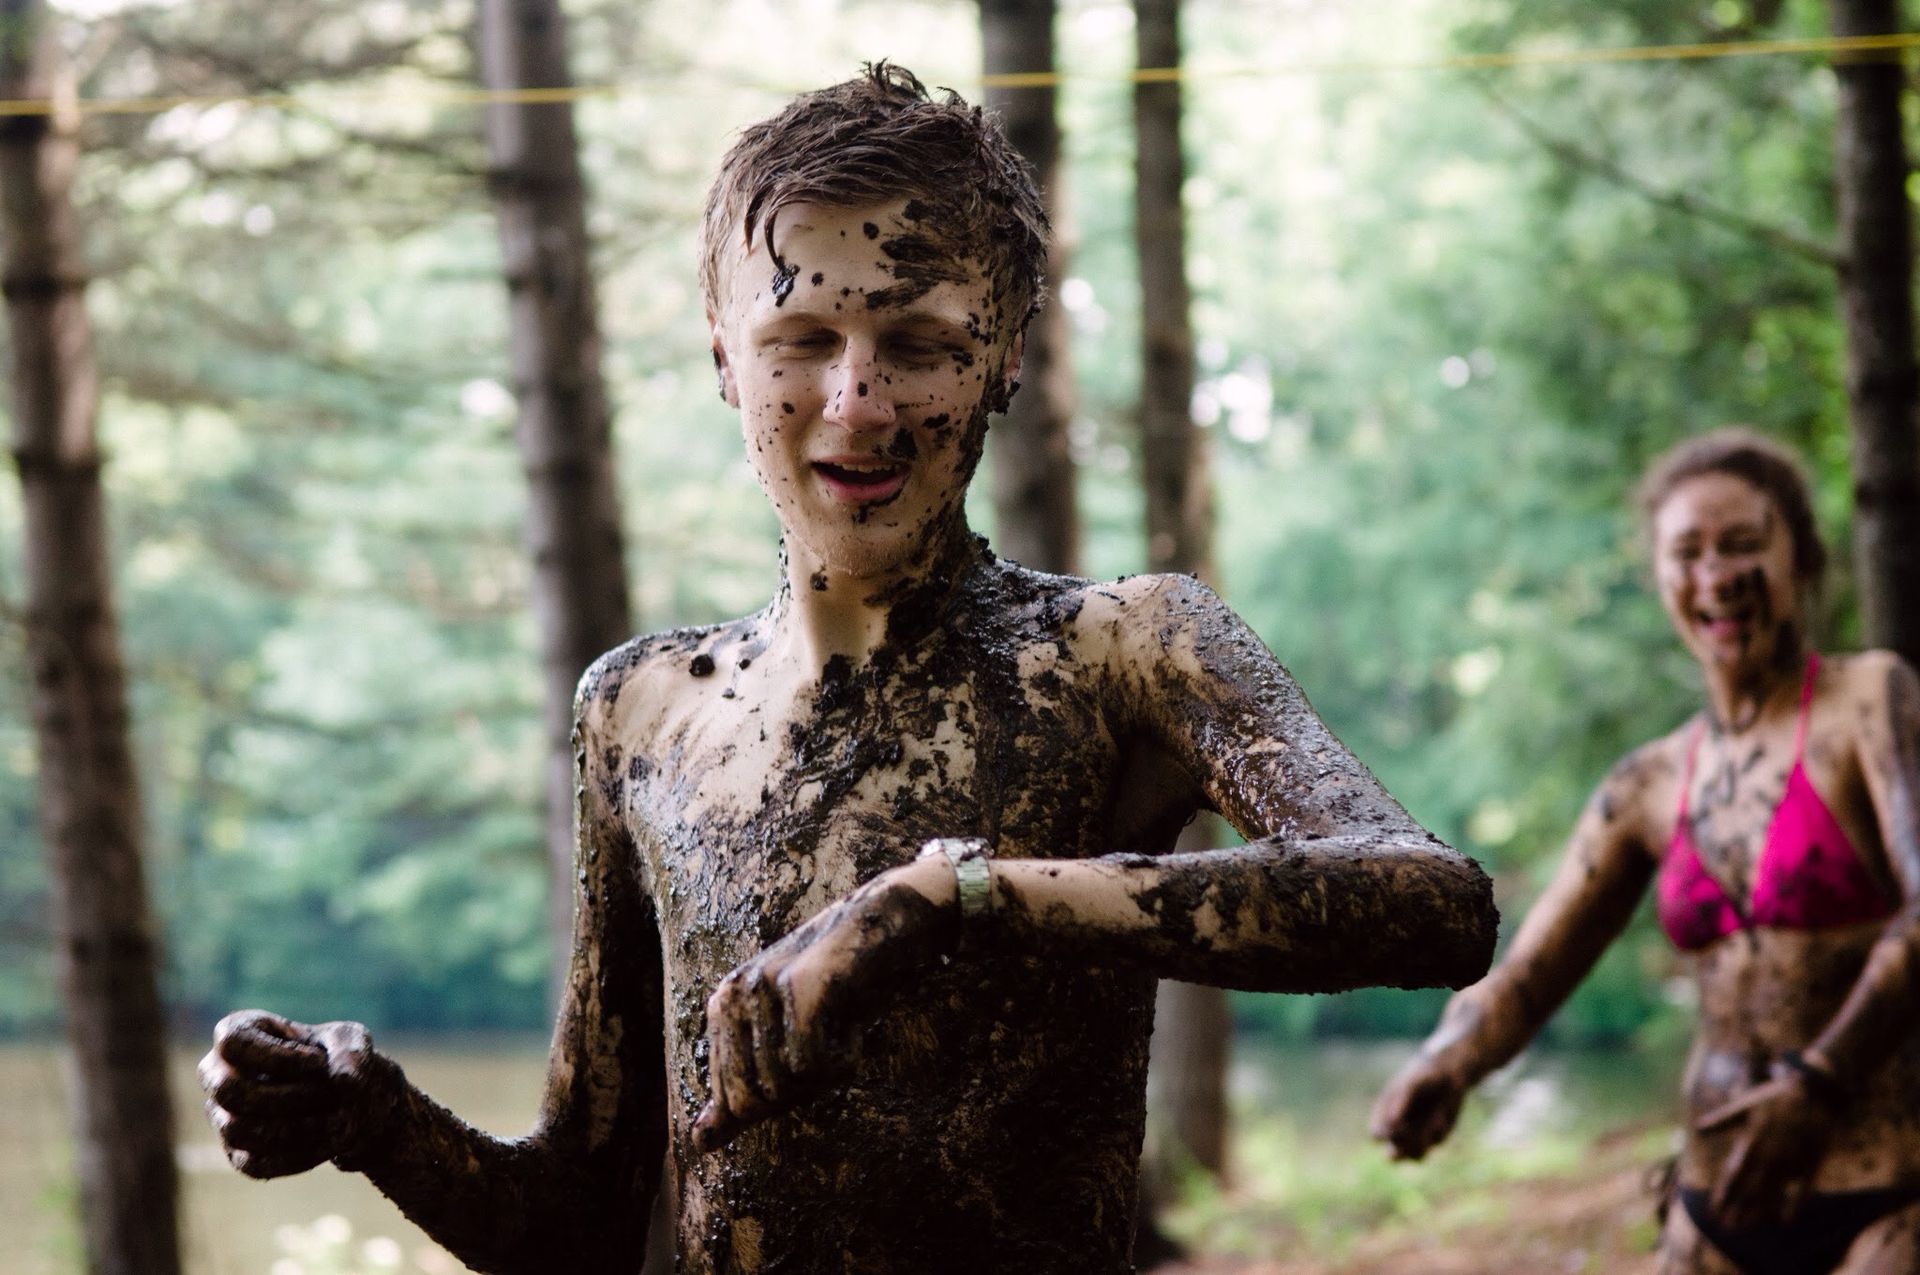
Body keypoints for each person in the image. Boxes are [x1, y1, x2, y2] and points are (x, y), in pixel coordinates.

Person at [201, 63, 1496, 1274]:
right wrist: (371, 1117)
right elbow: (583, 1223)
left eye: (921, 343)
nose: (859, 402)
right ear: (724, 351)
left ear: (1007, 353)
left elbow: (1429, 902)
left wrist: (955, 897)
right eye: (803, 340)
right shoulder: (642, 715)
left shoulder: (1117, 651)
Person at [1371, 428, 1920, 1274]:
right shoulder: (1649, 785)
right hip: (1714, 1205)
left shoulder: (1869, 701)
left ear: (1801, 557)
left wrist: (1820, 1082)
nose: (1717, 576)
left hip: (1883, 1189)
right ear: (1662, 578)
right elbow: (1532, 970)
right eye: (1688, 552)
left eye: (1744, 544)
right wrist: (1447, 1061)